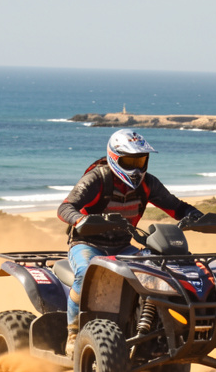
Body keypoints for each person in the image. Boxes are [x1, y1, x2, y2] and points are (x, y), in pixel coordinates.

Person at [57, 129, 200, 358]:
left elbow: (176, 206)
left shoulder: (148, 184)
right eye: (129, 161)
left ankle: (156, 331)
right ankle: (73, 333)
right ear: (114, 157)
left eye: (140, 160)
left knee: (161, 271)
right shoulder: (97, 179)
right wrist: (81, 220)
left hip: (123, 247)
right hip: (87, 244)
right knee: (85, 273)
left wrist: (197, 216)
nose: (135, 167)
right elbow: (65, 207)